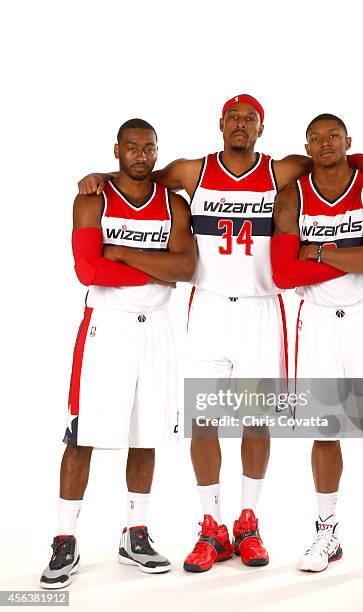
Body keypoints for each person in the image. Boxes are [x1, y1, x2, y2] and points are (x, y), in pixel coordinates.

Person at [78, 96, 363, 573]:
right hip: (206, 305)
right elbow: (141, 175)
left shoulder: (281, 171)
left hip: (260, 308)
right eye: (233, 118)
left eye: (250, 118)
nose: (241, 125)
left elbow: (338, 159)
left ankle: (249, 522)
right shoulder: (193, 172)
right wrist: (102, 177)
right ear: (221, 124)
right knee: (204, 420)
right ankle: (211, 524)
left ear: (262, 127)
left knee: (255, 418)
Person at [40, 118, 197, 589]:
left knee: (146, 434)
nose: (141, 155)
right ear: (117, 150)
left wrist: (124, 256)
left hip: (157, 331)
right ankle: (64, 539)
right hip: (106, 330)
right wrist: (155, 271)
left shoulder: (173, 205)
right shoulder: (93, 199)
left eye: (149, 148)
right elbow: (88, 269)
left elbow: (186, 267)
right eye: (132, 147)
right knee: (83, 435)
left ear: (156, 151)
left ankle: (135, 532)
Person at [271, 113, 363, 579]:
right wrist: (349, 257)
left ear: (349, 142)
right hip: (315, 321)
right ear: (306, 146)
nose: (325, 143)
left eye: (333, 136)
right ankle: (326, 530)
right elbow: (286, 273)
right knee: (323, 430)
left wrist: (319, 252)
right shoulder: (292, 195)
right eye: (315, 138)